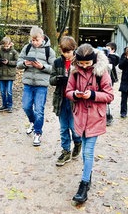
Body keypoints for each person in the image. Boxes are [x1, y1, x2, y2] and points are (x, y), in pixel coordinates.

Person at [65, 43, 114, 203]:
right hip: (80, 116)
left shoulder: (102, 71)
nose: (84, 66)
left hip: (95, 117)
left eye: (87, 63)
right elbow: (68, 91)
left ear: (93, 60)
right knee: (86, 150)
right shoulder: (74, 71)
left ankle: (84, 185)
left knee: (87, 151)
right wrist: (76, 95)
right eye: (81, 63)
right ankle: (88, 173)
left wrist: (93, 95)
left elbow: (109, 95)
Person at [17, 26, 56, 146]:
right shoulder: (27, 48)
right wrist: (25, 63)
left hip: (41, 85)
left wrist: (42, 67)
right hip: (28, 84)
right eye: (32, 40)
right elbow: (18, 64)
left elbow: (54, 68)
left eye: (37, 40)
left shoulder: (50, 51)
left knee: (39, 110)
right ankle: (33, 122)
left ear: (42, 38)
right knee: (26, 107)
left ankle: (38, 133)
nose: (34, 42)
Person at [50, 36, 81, 166]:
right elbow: (51, 80)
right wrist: (58, 79)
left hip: (75, 101)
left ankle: (78, 142)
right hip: (61, 100)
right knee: (63, 128)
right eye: (64, 52)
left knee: (74, 128)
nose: (66, 54)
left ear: (74, 49)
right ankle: (66, 150)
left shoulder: (79, 63)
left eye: (69, 52)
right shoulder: (57, 62)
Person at [0, 36, 19, 113]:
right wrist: (0, 61)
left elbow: (17, 62)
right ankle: (4, 104)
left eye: (7, 45)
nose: (6, 47)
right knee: (2, 91)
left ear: (10, 44)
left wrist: (8, 62)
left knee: (9, 91)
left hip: (10, 74)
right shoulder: (0, 51)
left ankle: (10, 105)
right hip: (2, 74)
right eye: (4, 46)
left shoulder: (14, 52)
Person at [105, 42, 119, 126]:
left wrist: (108, 55)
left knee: (107, 97)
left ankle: (108, 116)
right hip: (103, 78)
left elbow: (114, 62)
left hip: (110, 79)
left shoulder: (114, 57)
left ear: (113, 50)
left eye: (108, 49)